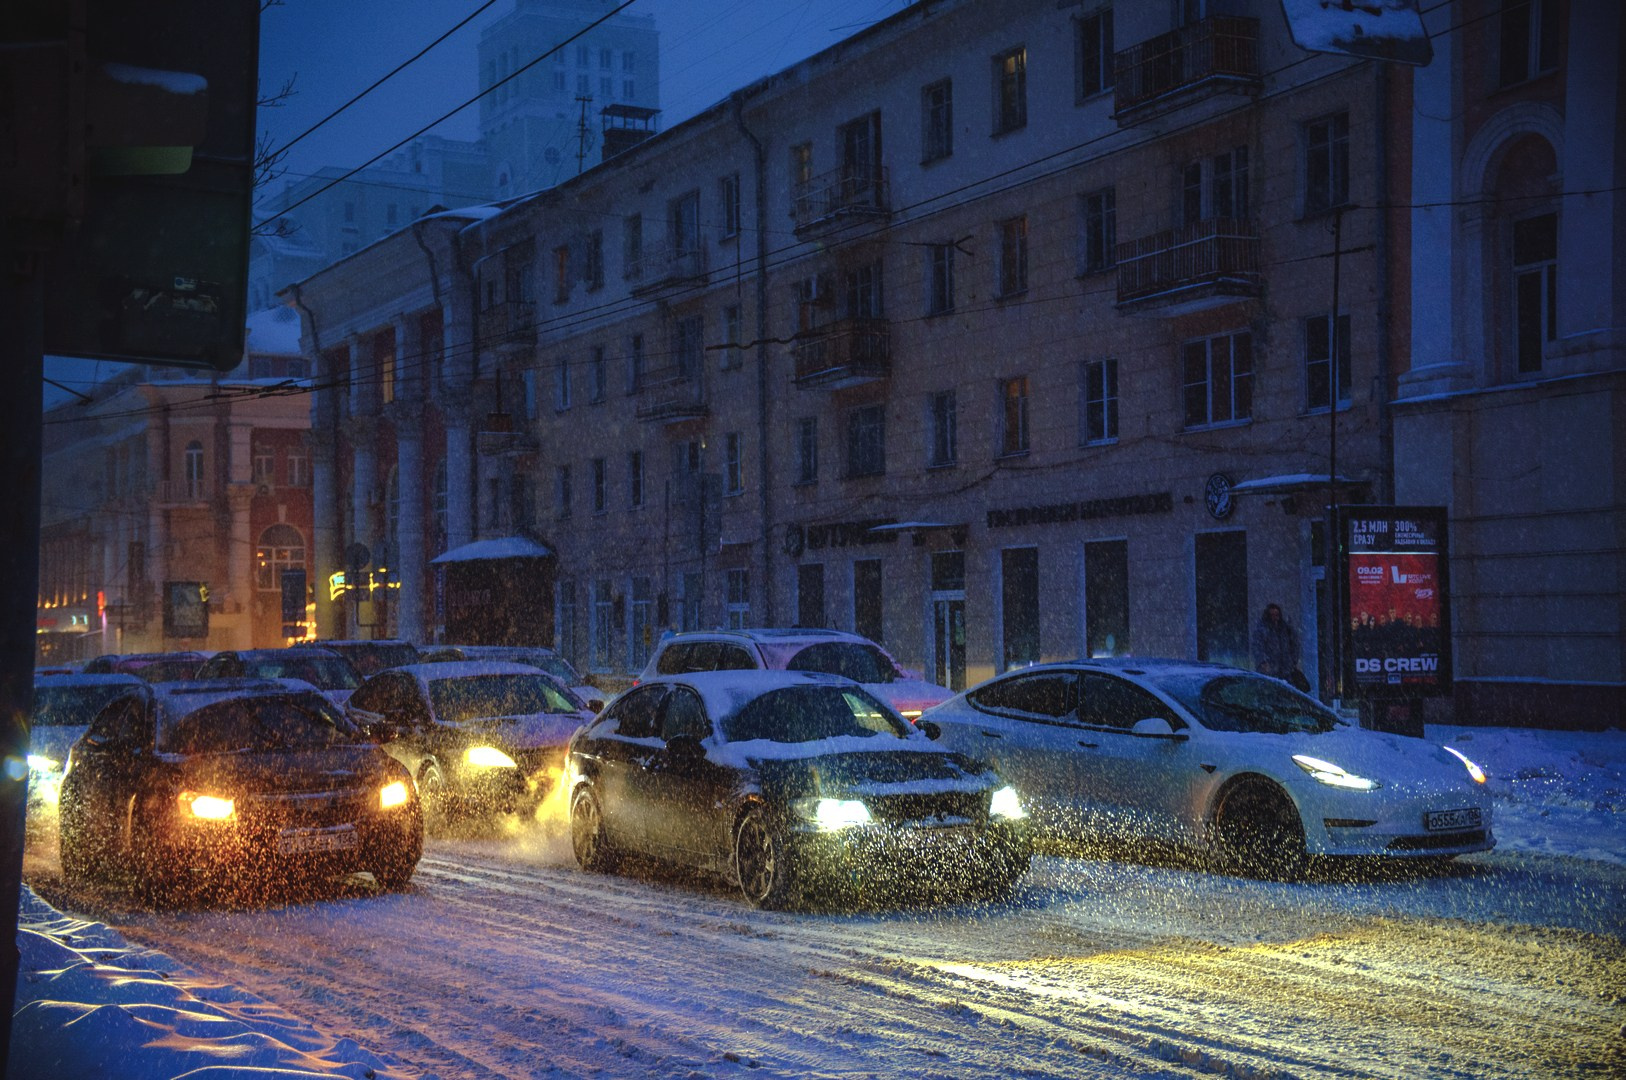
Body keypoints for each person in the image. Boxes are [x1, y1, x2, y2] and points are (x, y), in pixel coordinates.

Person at [1252, 603, 1308, 691]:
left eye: (1277, 615)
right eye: (1272, 615)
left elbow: (1295, 645)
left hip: (1286, 670)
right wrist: (1263, 662)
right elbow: (1257, 647)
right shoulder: (1262, 630)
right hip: (1270, 670)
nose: (1275, 618)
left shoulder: (1286, 629)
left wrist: (1292, 661)